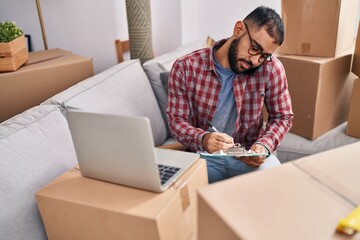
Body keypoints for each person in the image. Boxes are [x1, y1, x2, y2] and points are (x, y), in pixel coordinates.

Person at [167, 6, 293, 183]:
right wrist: (203, 139)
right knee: (173, 195)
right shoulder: (185, 67)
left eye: (264, 55)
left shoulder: (272, 69)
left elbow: (283, 117)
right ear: (238, 29)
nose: (255, 61)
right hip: (203, 157)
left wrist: (263, 145)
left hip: (249, 160)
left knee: (276, 183)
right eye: (254, 48)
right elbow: (176, 121)